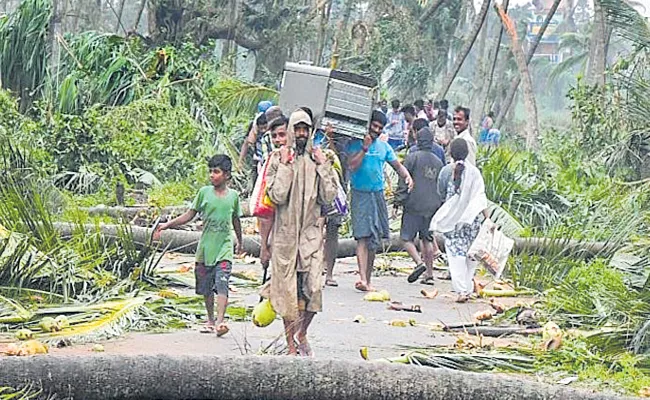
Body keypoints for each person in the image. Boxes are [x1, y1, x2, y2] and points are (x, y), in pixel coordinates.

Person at [264, 109, 338, 356]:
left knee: (314, 289)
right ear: (292, 131)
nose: (302, 133)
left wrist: (323, 166)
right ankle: (291, 344)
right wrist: (285, 165)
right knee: (288, 294)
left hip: (311, 237)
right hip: (285, 238)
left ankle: (303, 332)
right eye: (298, 129)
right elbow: (276, 196)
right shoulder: (277, 159)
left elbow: (329, 196)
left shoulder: (319, 159)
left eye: (305, 129)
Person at [154, 154, 243, 336]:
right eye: (210, 171)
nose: (212, 175)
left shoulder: (233, 197)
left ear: (226, 175)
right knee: (206, 287)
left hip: (224, 247)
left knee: (222, 283)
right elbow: (189, 215)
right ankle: (210, 319)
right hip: (205, 248)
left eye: (216, 172)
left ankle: (220, 322)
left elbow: (236, 220)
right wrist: (167, 225)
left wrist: (240, 241)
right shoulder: (204, 193)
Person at [348, 110, 413, 292]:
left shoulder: (384, 147)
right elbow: (352, 166)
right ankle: (361, 277)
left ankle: (367, 279)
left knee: (374, 240)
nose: (376, 130)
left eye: (379, 128)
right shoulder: (355, 144)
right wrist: (364, 148)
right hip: (359, 193)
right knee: (361, 236)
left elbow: (397, 165)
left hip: (377, 195)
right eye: (373, 126)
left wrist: (407, 176)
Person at [430, 139, 489, 303]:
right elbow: (481, 197)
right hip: (472, 220)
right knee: (471, 254)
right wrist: (488, 219)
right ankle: (468, 288)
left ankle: (462, 290)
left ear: (451, 153)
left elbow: (441, 193)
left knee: (455, 255)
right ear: (467, 153)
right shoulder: (475, 173)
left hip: (454, 221)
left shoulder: (446, 171)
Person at [394, 127, 445, 286]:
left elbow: (404, 180)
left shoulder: (412, 157)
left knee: (405, 238)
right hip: (432, 206)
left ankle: (418, 262)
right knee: (427, 239)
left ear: (417, 140)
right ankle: (429, 274)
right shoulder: (438, 162)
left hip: (414, 204)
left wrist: (398, 201)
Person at [320, 122, 350, 288]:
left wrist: (331, 138)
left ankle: (329, 273)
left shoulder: (344, 140)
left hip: (334, 190)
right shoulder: (308, 134)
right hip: (314, 191)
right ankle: (316, 270)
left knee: (332, 231)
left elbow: (338, 162)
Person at [258, 116, 289, 269]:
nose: (278, 140)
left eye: (282, 135)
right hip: (280, 232)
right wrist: (264, 246)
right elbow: (268, 206)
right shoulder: (272, 162)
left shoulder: (308, 160)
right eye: (274, 136)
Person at [238, 101, 273, 172]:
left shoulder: (275, 126)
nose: (263, 130)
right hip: (259, 161)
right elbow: (249, 142)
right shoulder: (255, 126)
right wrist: (240, 162)